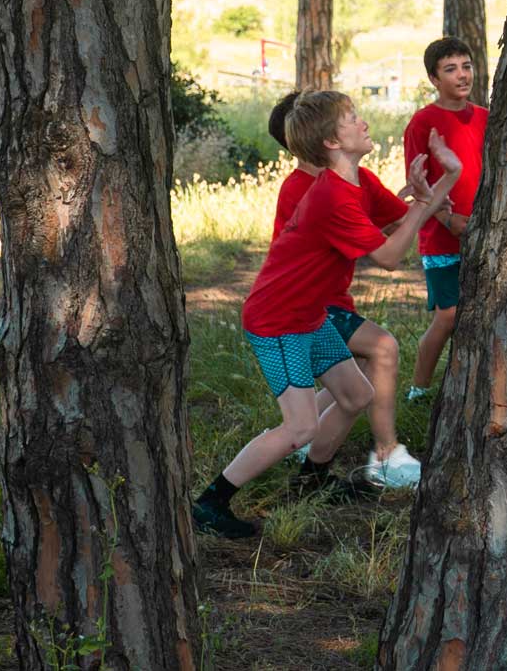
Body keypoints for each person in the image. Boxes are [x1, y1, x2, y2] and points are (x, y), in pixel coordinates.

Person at [191, 92, 458, 540]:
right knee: (299, 426)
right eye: (353, 118)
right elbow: (392, 256)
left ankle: (312, 480)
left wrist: (449, 176)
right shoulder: (331, 196)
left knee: (356, 394)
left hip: (310, 315)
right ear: (334, 141)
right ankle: (210, 502)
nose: (364, 123)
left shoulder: (354, 184)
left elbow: (412, 219)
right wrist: (422, 204)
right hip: (277, 321)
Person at [263, 92, 422, 490]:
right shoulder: (305, 189)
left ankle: (309, 447)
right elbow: (378, 248)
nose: (353, 122)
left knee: (361, 379)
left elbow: (398, 221)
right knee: (383, 347)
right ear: (314, 140)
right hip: (310, 305)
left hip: (333, 301)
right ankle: (386, 453)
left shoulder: (355, 179)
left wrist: (435, 201)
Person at [402, 37, 487, 402]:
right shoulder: (423, 123)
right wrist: (445, 217)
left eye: (466, 66)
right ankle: (418, 389)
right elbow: (416, 181)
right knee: (449, 315)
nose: (462, 75)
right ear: (434, 79)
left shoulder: (486, 117)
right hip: (443, 236)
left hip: (484, 230)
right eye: (450, 69)